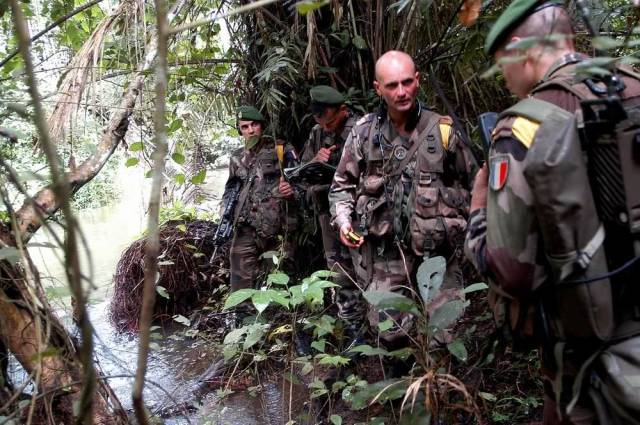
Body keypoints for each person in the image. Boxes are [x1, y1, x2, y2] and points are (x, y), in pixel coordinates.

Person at [465, 1, 640, 423]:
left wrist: (476, 209)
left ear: (521, 48)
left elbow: (513, 271)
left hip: (591, 359)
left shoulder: (525, 125)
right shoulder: (634, 84)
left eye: (502, 64)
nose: (506, 80)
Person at [329, 50, 474, 343]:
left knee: (445, 336)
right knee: (391, 337)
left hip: (438, 253)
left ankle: (438, 387)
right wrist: (344, 221)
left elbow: (474, 185)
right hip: (385, 255)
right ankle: (400, 384)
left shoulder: (443, 132)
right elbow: (341, 185)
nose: (401, 91)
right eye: (392, 85)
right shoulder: (364, 133)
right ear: (377, 88)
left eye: (407, 82)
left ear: (418, 81)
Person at [299, 85, 361, 334]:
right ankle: (353, 327)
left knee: (369, 268)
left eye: (330, 121)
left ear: (343, 110)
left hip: (360, 212)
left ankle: (382, 327)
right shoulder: (317, 133)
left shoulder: (361, 130)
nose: (326, 127)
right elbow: (300, 172)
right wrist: (315, 161)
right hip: (329, 214)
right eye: (319, 121)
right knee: (340, 273)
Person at [222, 106, 299, 293]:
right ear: (240, 130)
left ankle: (278, 318)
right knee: (239, 276)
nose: (250, 130)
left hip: (277, 225)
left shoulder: (281, 149)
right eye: (245, 127)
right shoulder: (237, 157)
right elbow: (230, 189)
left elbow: (301, 180)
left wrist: (291, 190)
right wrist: (225, 212)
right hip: (246, 225)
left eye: (254, 125)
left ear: (261, 126)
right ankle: (242, 315)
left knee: (278, 277)